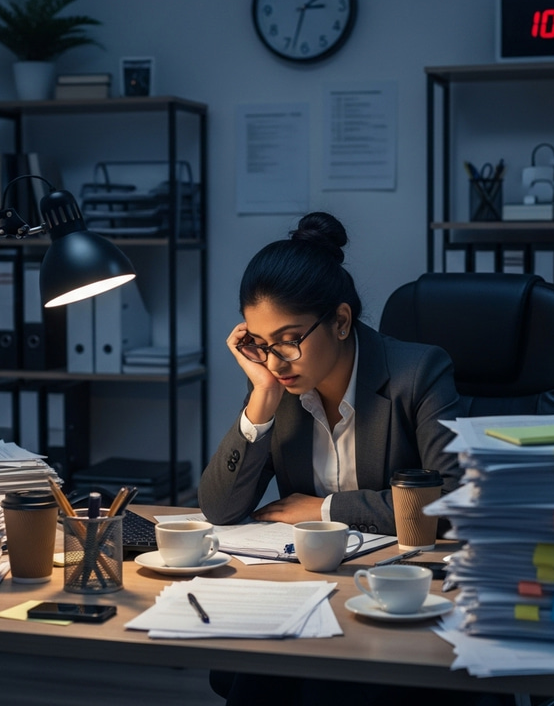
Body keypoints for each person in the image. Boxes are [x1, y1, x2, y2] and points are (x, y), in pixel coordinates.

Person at [198, 211, 461, 535]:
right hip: (306, 564)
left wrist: (325, 509)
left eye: (288, 340)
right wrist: (261, 399)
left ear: (340, 322)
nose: (275, 363)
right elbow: (219, 509)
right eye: (261, 344)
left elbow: (451, 503)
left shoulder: (419, 374)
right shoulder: (275, 384)